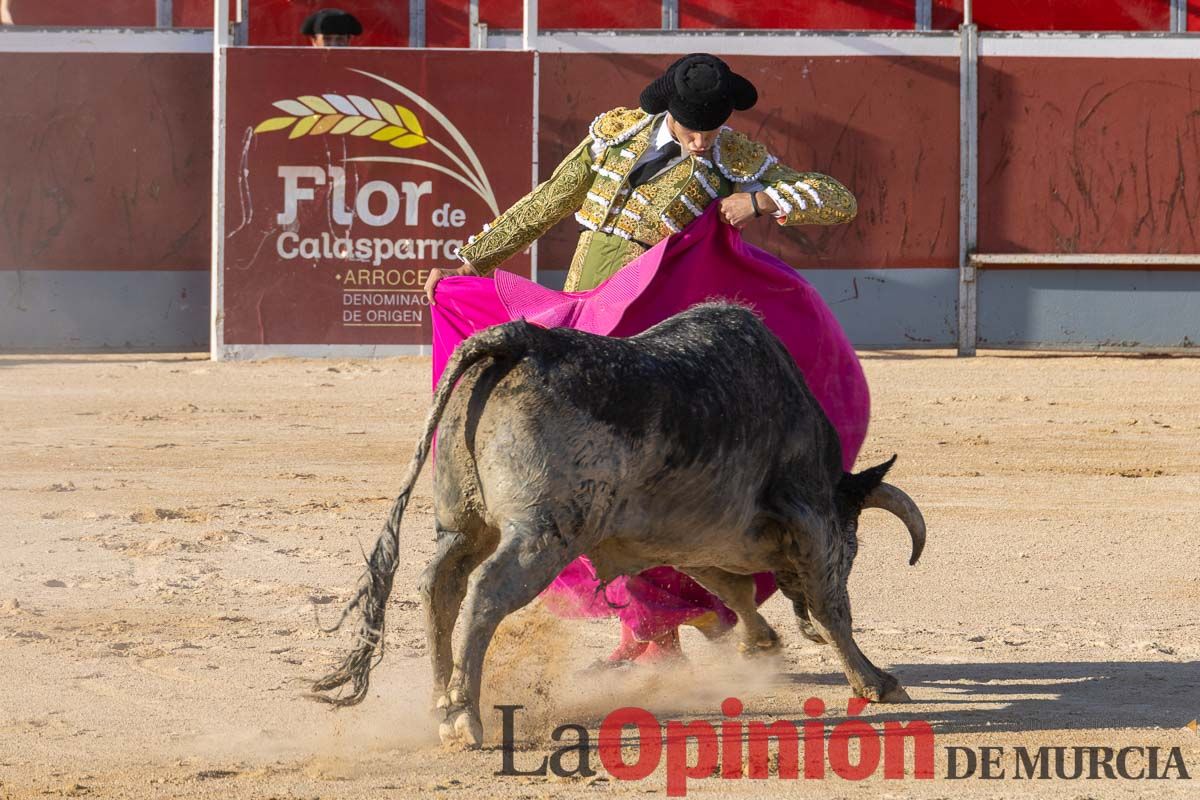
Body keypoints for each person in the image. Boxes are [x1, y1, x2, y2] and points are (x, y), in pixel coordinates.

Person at [423, 53, 863, 665]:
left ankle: (656, 632)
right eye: (691, 129)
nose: (702, 140)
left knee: (641, 478)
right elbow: (547, 203)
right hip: (584, 301)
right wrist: (472, 260)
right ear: (668, 113)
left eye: (712, 129)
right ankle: (647, 628)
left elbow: (836, 199)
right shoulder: (614, 133)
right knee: (568, 461)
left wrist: (762, 202)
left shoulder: (733, 158)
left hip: (653, 318)